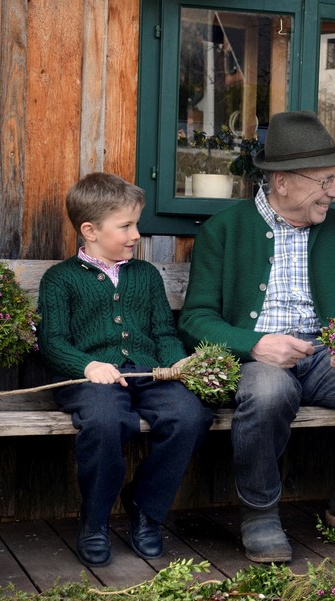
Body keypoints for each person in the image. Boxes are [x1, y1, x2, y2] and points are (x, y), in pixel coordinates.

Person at [178, 110, 335, 563]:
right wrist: (254, 344)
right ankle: (259, 513)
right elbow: (195, 319)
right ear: (282, 182)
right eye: (326, 181)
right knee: (268, 390)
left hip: (326, 360)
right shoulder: (224, 232)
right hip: (260, 360)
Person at [38, 172, 214, 567]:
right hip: (90, 380)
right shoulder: (60, 280)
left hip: (148, 374)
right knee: (104, 420)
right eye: (126, 226)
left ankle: (146, 507)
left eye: (136, 223)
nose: (136, 234)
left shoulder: (145, 276)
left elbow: (163, 332)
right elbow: (52, 343)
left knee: (190, 414)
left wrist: (177, 362)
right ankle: (95, 519)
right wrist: (88, 365)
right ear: (90, 230)